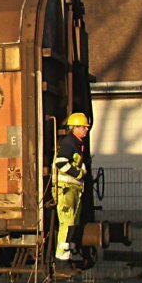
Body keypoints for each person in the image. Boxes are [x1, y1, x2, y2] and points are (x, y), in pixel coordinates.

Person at [53, 112, 91, 261]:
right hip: (66, 189)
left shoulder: (77, 143)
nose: (86, 129)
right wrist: (79, 174)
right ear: (74, 128)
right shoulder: (69, 142)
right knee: (67, 221)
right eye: (83, 127)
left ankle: (67, 251)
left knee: (72, 221)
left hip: (73, 190)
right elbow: (60, 162)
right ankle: (61, 255)